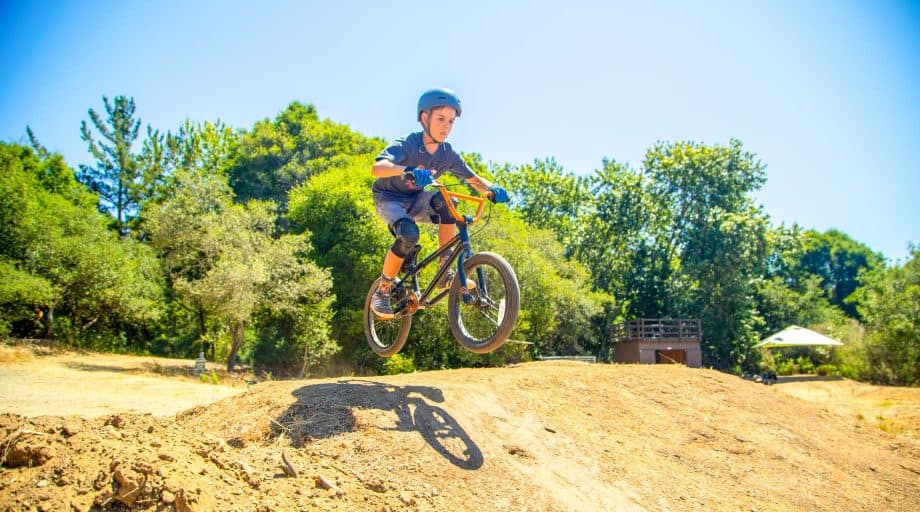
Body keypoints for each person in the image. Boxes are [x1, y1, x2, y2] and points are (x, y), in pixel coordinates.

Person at [370, 88, 510, 319]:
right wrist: (408, 170)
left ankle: (444, 272)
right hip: (389, 198)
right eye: (440, 119)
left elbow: (474, 179)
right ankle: (383, 291)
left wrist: (493, 189)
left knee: (449, 202)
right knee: (408, 234)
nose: (446, 126)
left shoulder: (447, 154)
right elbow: (377, 168)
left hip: (417, 200)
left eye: (451, 122)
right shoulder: (407, 144)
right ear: (424, 118)